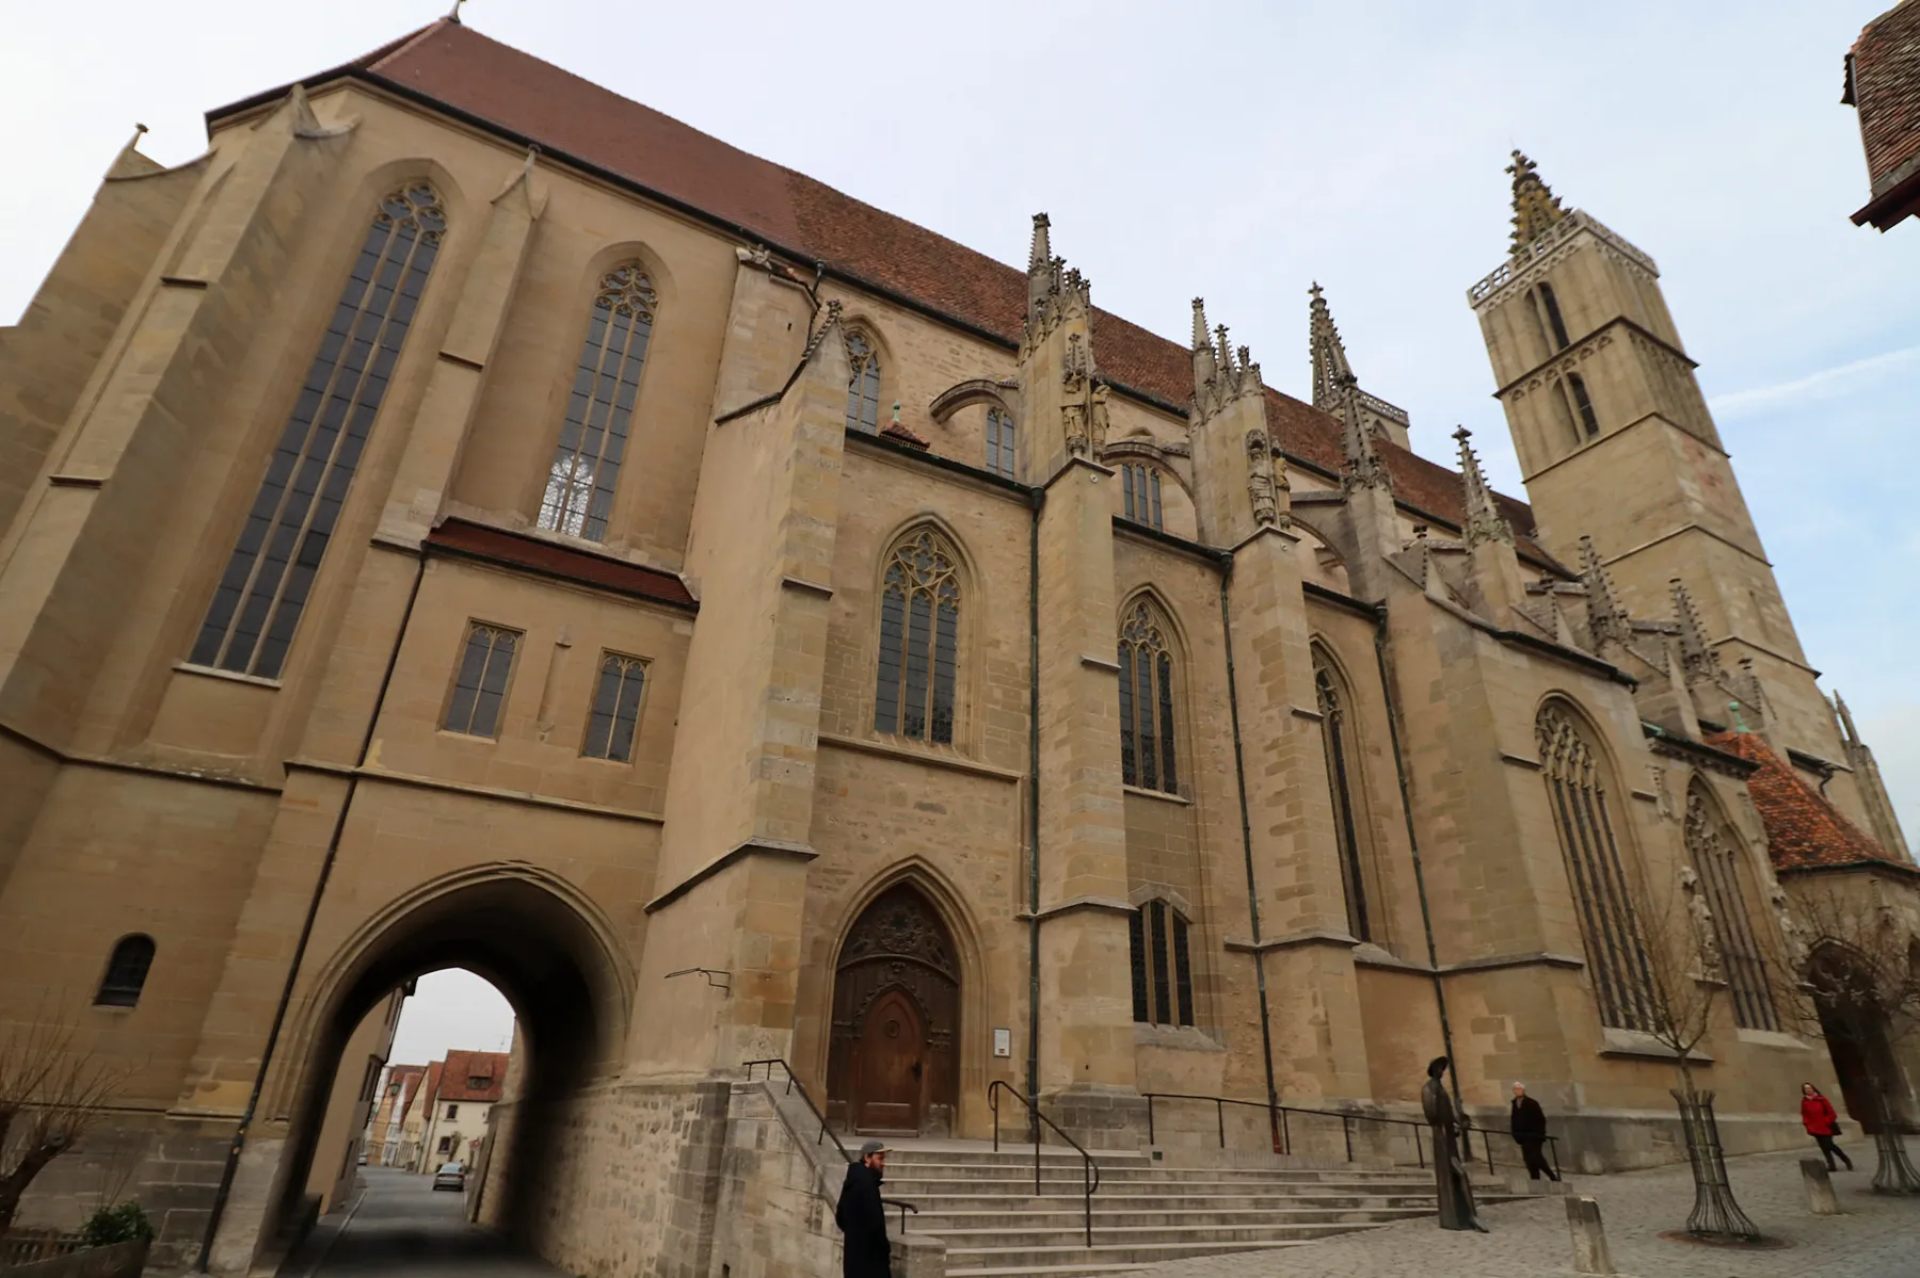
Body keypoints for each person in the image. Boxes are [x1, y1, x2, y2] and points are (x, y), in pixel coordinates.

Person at [1421, 1056, 1487, 1232]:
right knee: (1460, 1174)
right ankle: (1469, 1215)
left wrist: (1458, 1124)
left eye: (1443, 1068)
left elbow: (1446, 1114)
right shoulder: (1429, 1088)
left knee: (1455, 1176)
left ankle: (1461, 1215)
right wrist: (1446, 1125)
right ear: (1433, 1070)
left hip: (1448, 1137)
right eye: (1439, 1068)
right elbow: (1432, 1114)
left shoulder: (1440, 1089)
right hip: (1441, 1138)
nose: (1442, 1071)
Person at [836, 1139, 892, 1278]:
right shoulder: (866, 1184)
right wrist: (884, 1248)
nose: (883, 1163)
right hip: (870, 1261)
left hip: (854, 1257)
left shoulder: (854, 1178)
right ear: (867, 1157)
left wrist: (854, 1234)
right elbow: (875, 1223)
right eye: (880, 1158)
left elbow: (840, 1216)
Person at [1509, 1083, 1560, 1182]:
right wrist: (1515, 1134)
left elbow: (1540, 1119)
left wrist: (1539, 1133)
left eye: (1519, 1089)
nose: (1517, 1091)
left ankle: (1552, 1176)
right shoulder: (1515, 1103)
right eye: (1515, 1089)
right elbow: (1514, 1119)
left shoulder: (1531, 1103)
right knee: (1528, 1159)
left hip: (1533, 1136)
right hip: (1522, 1136)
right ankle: (1535, 1178)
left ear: (1523, 1090)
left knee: (1536, 1157)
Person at [1801, 1082, 1853, 1171]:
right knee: (1823, 1147)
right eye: (1806, 1089)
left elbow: (1831, 1112)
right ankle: (1831, 1165)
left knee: (1830, 1145)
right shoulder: (1804, 1102)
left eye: (1809, 1088)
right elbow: (1804, 1114)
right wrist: (1807, 1124)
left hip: (1826, 1127)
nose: (1808, 1090)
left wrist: (1827, 1121)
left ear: (1813, 1089)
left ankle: (1846, 1160)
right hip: (1815, 1128)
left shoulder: (1821, 1099)